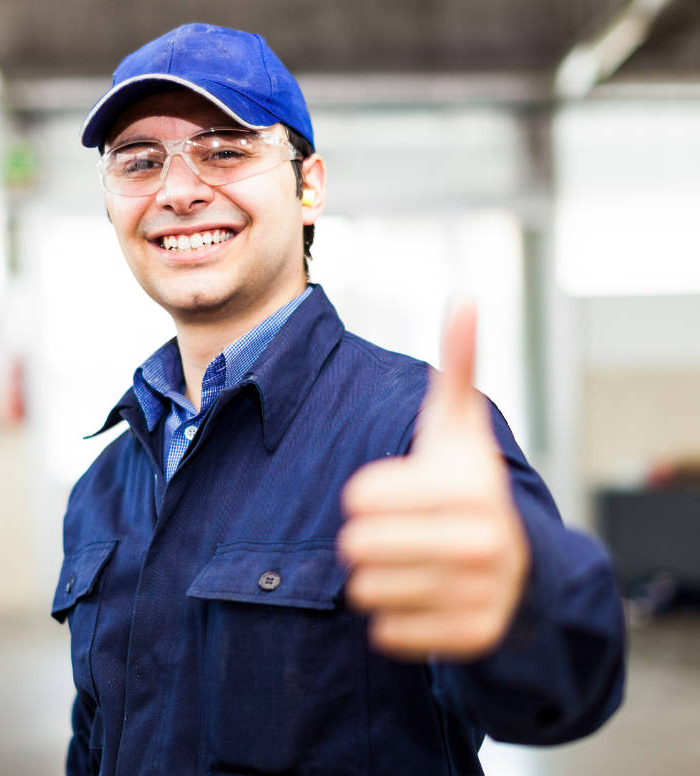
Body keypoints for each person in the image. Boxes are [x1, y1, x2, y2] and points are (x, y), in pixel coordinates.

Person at [51, 22, 625, 776]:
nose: (179, 190)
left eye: (225, 151)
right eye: (140, 160)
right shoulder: (105, 484)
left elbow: (560, 689)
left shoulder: (408, 432)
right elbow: (97, 742)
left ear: (309, 184)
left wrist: (521, 595)